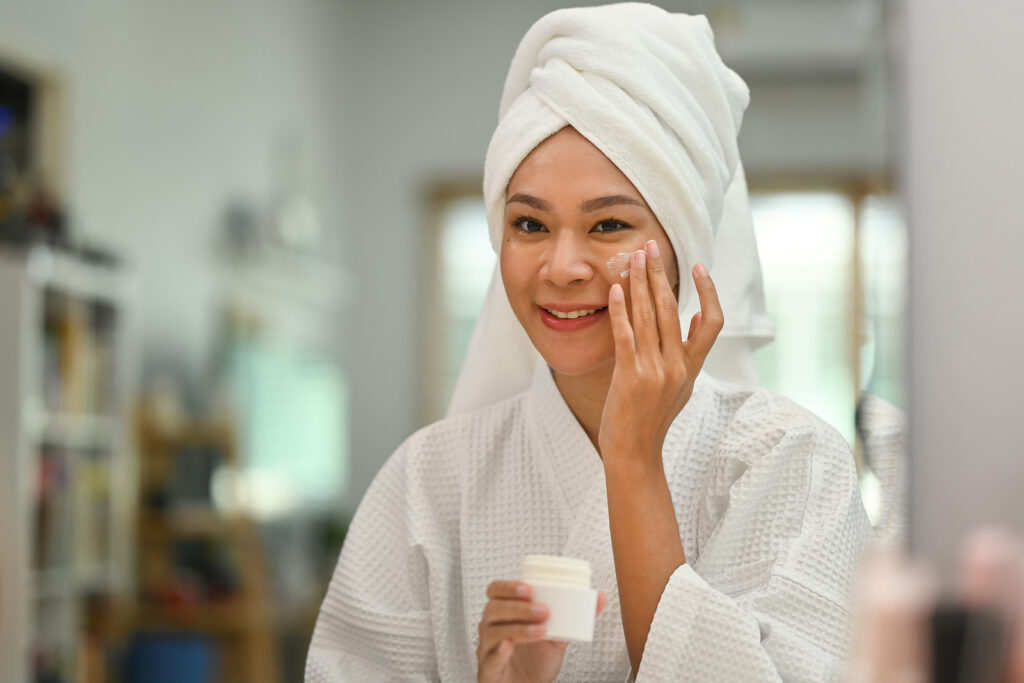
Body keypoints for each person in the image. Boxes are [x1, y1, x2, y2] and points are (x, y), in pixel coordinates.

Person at [306, 5, 871, 682]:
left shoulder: (791, 463)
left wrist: (632, 459)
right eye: (529, 224)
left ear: (681, 249)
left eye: (607, 224)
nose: (562, 267)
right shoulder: (428, 482)